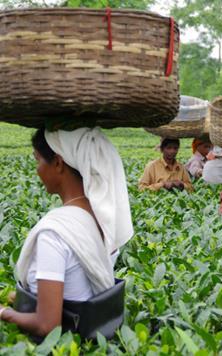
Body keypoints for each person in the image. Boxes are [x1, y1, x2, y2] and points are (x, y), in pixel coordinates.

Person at [0, 127, 133, 337]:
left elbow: (47, 325)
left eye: (38, 160)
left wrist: (4, 313)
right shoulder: (100, 218)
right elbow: (77, 288)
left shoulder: (55, 232)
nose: (37, 170)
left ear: (58, 163)